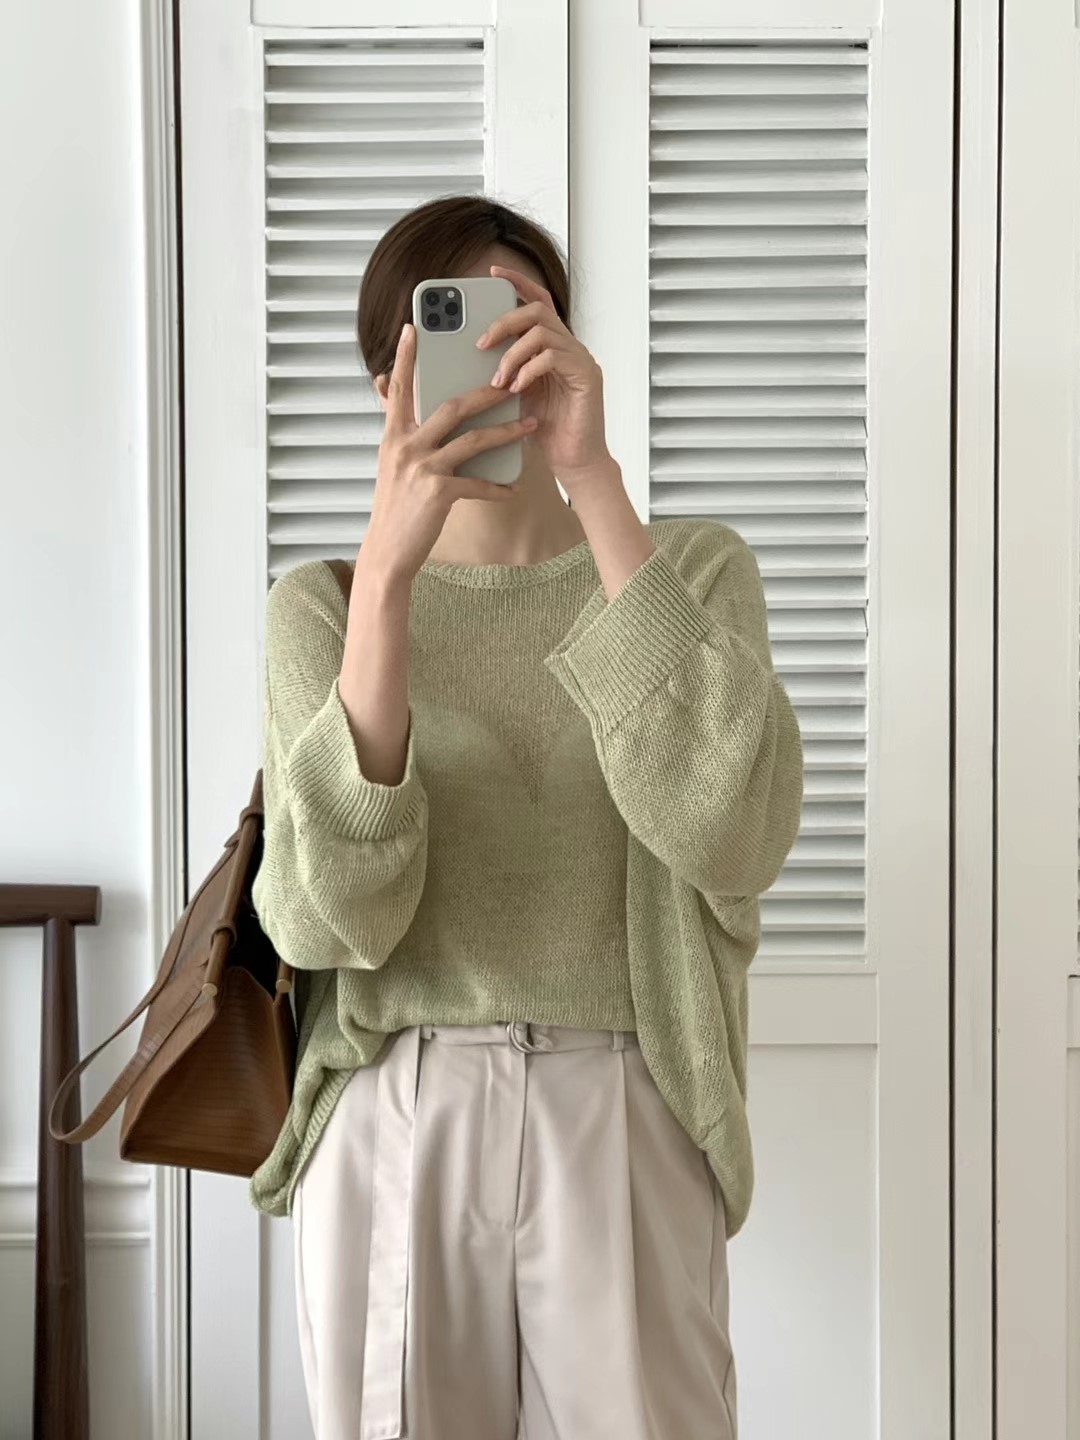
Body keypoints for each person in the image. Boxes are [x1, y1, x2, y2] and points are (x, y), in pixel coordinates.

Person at [249, 194, 804, 1440]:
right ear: (389, 381)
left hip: (627, 1102)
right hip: (397, 1104)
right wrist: (388, 580)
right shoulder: (323, 606)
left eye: (525, 320)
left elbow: (737, 831)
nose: (496, 359)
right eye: (458, 330)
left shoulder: (690, 573)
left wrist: (591, 479)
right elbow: (327, 920)